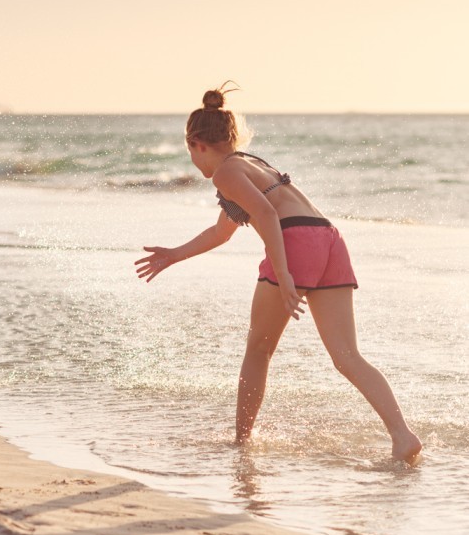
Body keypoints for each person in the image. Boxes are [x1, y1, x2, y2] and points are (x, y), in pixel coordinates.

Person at [135, 84, 422, 464]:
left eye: (190, 153)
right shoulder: (250, 164)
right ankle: (403, 436)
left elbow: (268, 217)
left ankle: (242, 443)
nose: (194, 163)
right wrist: (173, 255)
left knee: (258, 349)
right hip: (327, 237)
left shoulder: (226, 172)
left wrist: (285, 274)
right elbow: (222, 231)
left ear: (196, 144)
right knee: (347, 356)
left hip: (294, 242)